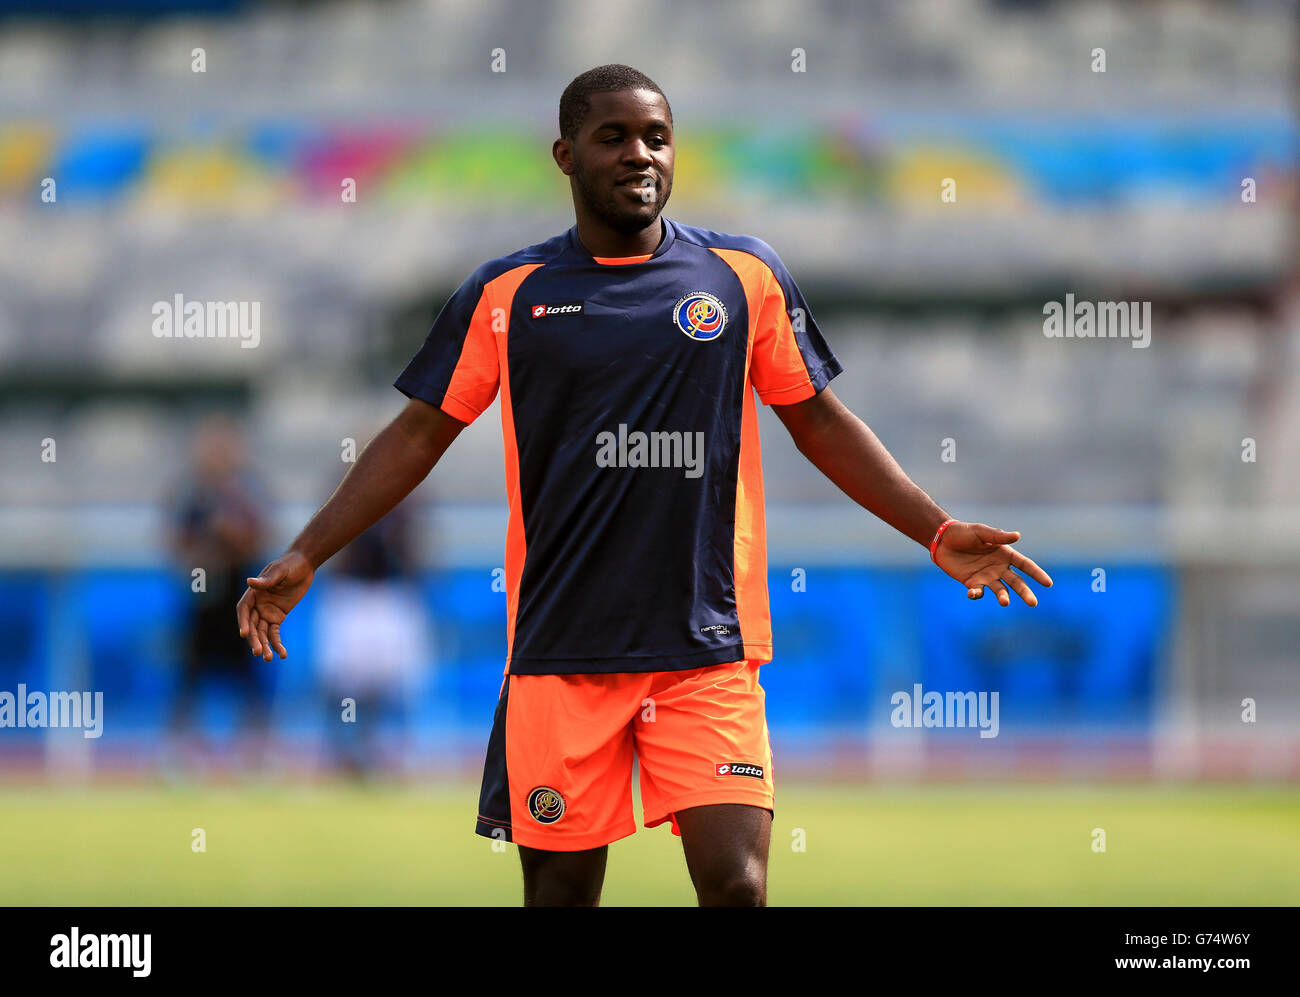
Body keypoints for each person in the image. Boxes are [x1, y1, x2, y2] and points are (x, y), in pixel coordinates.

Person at [236, 64, 1052, 906]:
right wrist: (307, 552)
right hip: (561, 650)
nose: (640, 155)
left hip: (707, 648)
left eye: (656, 138)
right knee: (560, 897)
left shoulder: (742, 276)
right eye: (614, 137)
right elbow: (418, 431)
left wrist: (933, 527)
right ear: (565, 154)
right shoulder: (508, 293)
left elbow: (818, 419)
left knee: (737, 887)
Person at [169, 414, 268, 769]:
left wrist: (230, 535)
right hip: (202, 599)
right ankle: (182, 753)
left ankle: (255, 753)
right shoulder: (192, 493)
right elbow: (174, 541)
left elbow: (259, 537)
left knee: (250, 675)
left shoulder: (246, 493)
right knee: (190, 675)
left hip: (240, 598)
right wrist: (203, 551)